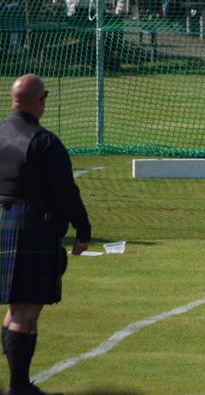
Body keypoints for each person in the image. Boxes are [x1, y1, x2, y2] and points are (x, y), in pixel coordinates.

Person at [0, 74, 91, 395]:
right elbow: (65, 192)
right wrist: (83, 229)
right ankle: (19, 387)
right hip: (32, 226)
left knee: (15, 309)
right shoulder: (43, 141)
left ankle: (17, 384)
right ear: (41, 101)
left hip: (3, 223)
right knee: (26, 309)